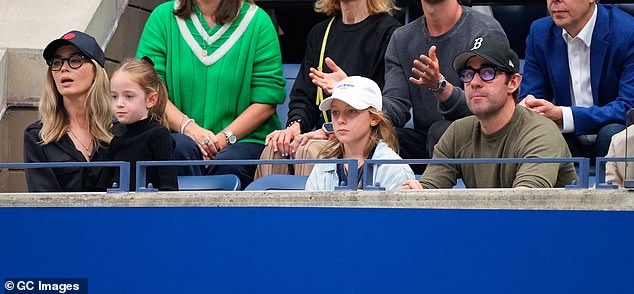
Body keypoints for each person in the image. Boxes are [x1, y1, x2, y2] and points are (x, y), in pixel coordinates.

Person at [310, 0, 507, 173]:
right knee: (377, 137)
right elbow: (396, 109)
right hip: (425, 139)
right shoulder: (402, 37)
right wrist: (353, 93)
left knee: (441, 131)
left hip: (478, 137)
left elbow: (492, 106)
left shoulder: (484, 30)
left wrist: (441, 88)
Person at [136, 0, 286, 188]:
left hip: (243, 140)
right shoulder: (162, 18)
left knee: (230, 163)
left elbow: (266, 100)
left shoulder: (258, 22)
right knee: (177, 149)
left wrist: (221, 139)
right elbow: (151, 88)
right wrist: (189, 128)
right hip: (178, 135)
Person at [401, 31, 578, 189]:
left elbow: (524, 202)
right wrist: (416, 191)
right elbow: (430, 189)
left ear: (513, 83)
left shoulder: (540, 132)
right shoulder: (458, 132)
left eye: (487, 72)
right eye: (468, 74)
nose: (475, 82)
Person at [258, 0, 400, 177]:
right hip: (328, 132)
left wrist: (347, 89)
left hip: (364, 138)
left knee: (309, 151)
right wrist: (295, 127)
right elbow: (304, 97)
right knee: (276, 149)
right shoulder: (320, 32)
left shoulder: (389, 31)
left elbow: (388, 108)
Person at [520, 0, 634, 159]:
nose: (555, 0)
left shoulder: (628, 32)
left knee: (613, 132)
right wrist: (531, 105)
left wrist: (564, 116)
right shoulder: (539, 32)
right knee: (539, 131)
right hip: (566, 138)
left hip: (615, 140)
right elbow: (531, 95)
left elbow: (629, 108)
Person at [23, 30, 113, 192]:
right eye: (56, 62)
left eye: (75, 60)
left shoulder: (119, 130)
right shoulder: (38, 136)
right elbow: (43, 203)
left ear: (96, 72)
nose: (64, 68)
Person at [306, 76, 415, 191]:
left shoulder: (394, 169)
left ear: (374, 118)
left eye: (352, 111)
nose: (340, 120)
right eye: (335, 112)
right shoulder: (322, 166)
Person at [96, 58, 178, 191]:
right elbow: (100, 189)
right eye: (114, 96)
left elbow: (169, 188)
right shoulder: (115, 139)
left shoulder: (159, 135)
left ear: (151, 100)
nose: (119, 103)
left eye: (129, 96)